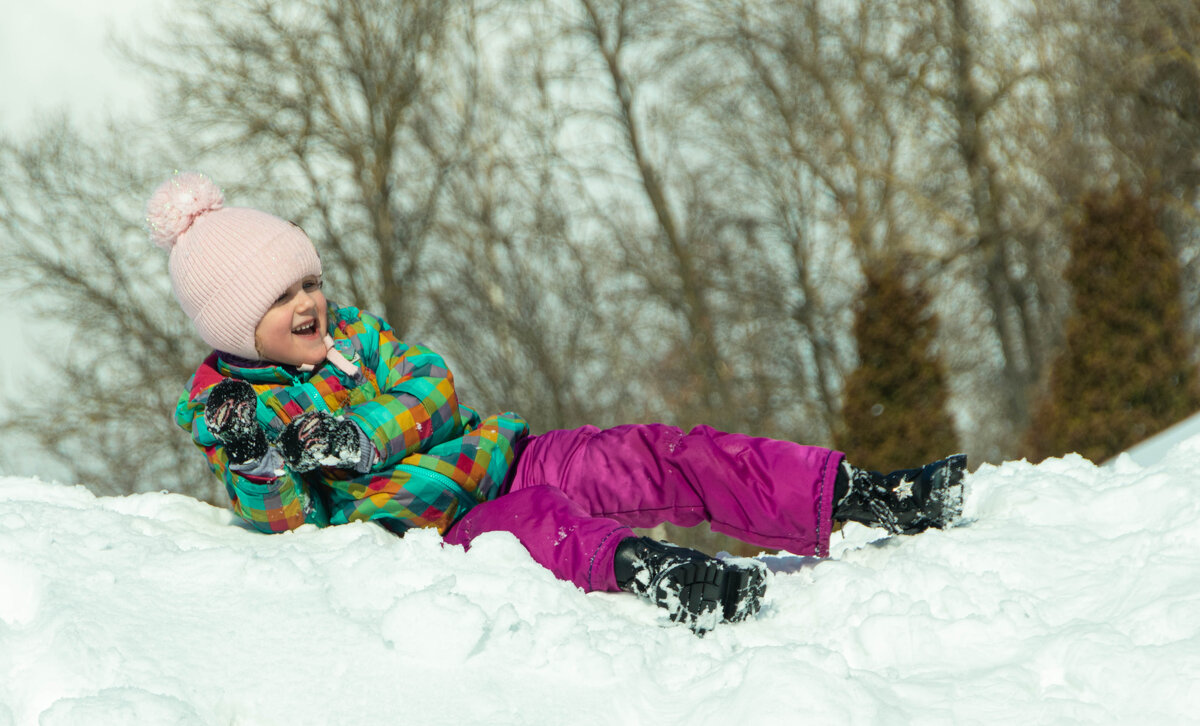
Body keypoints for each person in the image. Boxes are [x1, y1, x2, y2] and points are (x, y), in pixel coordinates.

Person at [150, 172, 966, 634]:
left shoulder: (358, 337)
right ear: (232, 322)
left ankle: (853, 497)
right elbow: (284, 523)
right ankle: (667, 575)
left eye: (311, 281)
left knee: (654, 451)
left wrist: (358, 437)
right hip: (440, 529)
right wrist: (261, 458)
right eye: (281, 295)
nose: (309, 304)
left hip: (502, 454)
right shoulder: (233, 410)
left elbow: (431, 388)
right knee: (544, 526)